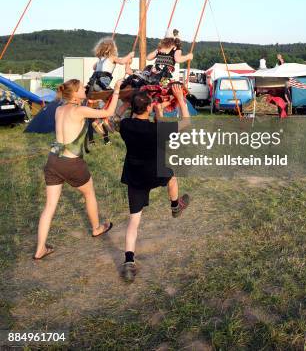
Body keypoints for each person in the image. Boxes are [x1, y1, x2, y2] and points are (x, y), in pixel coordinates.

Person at [33, 78, 122, 260]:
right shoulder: (79, 110)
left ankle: (40, 249)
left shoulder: (59, 109)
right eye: (82, 88)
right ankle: (97, 228)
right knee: (89, 194)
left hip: (53, 160)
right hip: (72, 163)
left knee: (49, 206)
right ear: (74, 93)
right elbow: (109, 112)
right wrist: (118, 90)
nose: (85, 89)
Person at [119, 84, 190, 282]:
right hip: (155, 172)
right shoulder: (157, 129)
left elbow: (117, 116)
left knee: (134, 221)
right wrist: (179, 99)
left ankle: (129, 261)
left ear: (132, 108)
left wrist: (125, 102)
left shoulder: (125, 126)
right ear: (149, 108)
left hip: (134, 176)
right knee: (172, 176)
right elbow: (186, 122)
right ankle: (175, 206)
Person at [86, 38, 134, 144]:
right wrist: (130, 55)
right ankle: (102, 120)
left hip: (93, 84)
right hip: (101, 85)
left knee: (108, 98)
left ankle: (102, 119)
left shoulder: (100, 59)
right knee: (114, 96)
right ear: (112, 49)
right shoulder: (112, 57)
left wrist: (100, 61)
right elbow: (122, 61)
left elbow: (94, 67)